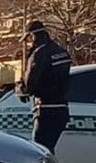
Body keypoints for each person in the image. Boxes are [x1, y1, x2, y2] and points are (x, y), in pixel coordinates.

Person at [19, 20, 72, 152]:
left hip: (45, 109)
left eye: (27, 39)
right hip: (62, 110)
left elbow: (30, 85)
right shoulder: (61, 51)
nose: (27, 43)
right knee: (48, 150)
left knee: (39, 151)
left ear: (32, 36)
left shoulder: (38, 54)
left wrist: (19, 89)